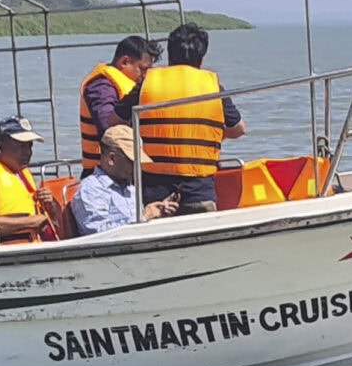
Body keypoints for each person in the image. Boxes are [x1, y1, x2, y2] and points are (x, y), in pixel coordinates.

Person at [121, 22, 246, 214]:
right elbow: (239, 129)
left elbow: (115, 121)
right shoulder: (213, 87)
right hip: (199, 190)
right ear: (202, 59)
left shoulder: (147, 83)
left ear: (170, 57)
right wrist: (209, 132)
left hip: (154, 194)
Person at [0, 117, 57, 246]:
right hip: (3, 251)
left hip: (32, 246)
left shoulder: (23, 175)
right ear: (0, 147)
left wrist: (49, 206)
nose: (28, 153)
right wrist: (31, 222)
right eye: (21, 147)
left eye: (30, 146)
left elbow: (48, 221)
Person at [71, 125, 176, 236]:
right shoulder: (91, 188)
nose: (137, 168)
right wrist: (144, 217)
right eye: (132, 162)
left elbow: (137, 226)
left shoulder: (129, 187)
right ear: (111, 159)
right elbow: (97, 233)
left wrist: (157, 214)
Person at [78, 35, 159, 172]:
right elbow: (108, 127)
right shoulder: (101, 86)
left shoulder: (125, 84)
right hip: (102, 173)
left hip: (121, 170)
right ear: (125, 62)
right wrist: (132, 99)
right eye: (142, 69)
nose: (145, 76)